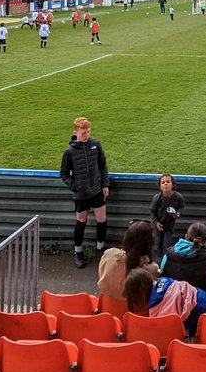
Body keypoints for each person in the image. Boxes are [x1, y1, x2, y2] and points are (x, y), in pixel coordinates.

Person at [59, 116, 109, 269]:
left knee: (102, 219)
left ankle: (100, 248)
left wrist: (105, 184)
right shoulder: (69, 152)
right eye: (83, 132)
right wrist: (74, 186)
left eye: (88, 132)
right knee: (81, 221)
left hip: (96, 190)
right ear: (76, 132)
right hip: (81, 194)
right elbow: (64, 173)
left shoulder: (96, 145)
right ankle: (78, 251)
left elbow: (103, 165)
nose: (86, 135)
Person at [124, 268, 206, 336]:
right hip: (203, 296)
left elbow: (171, 331)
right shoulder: (163, 280)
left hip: (199, 311)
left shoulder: (156, 310)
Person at [97, 219, 160, 300]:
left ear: (127, 237)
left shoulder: (108, 255)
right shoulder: (152, 269)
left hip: (106, 308)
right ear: (149, 243)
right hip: (133, 311)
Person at [150, 174, 185, 260]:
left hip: (169, 226)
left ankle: (165, 264)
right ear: (160, 187)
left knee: (167, 246)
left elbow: (181, 206)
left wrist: (178, 213)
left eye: (168, 182)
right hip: (158, 226)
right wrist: (156, 222)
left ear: (172, 185)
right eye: (163, 182)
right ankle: (156, 263)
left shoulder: (178, 197)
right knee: (157, 245)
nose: (165, 184)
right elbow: (152, 211)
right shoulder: (157, 198)